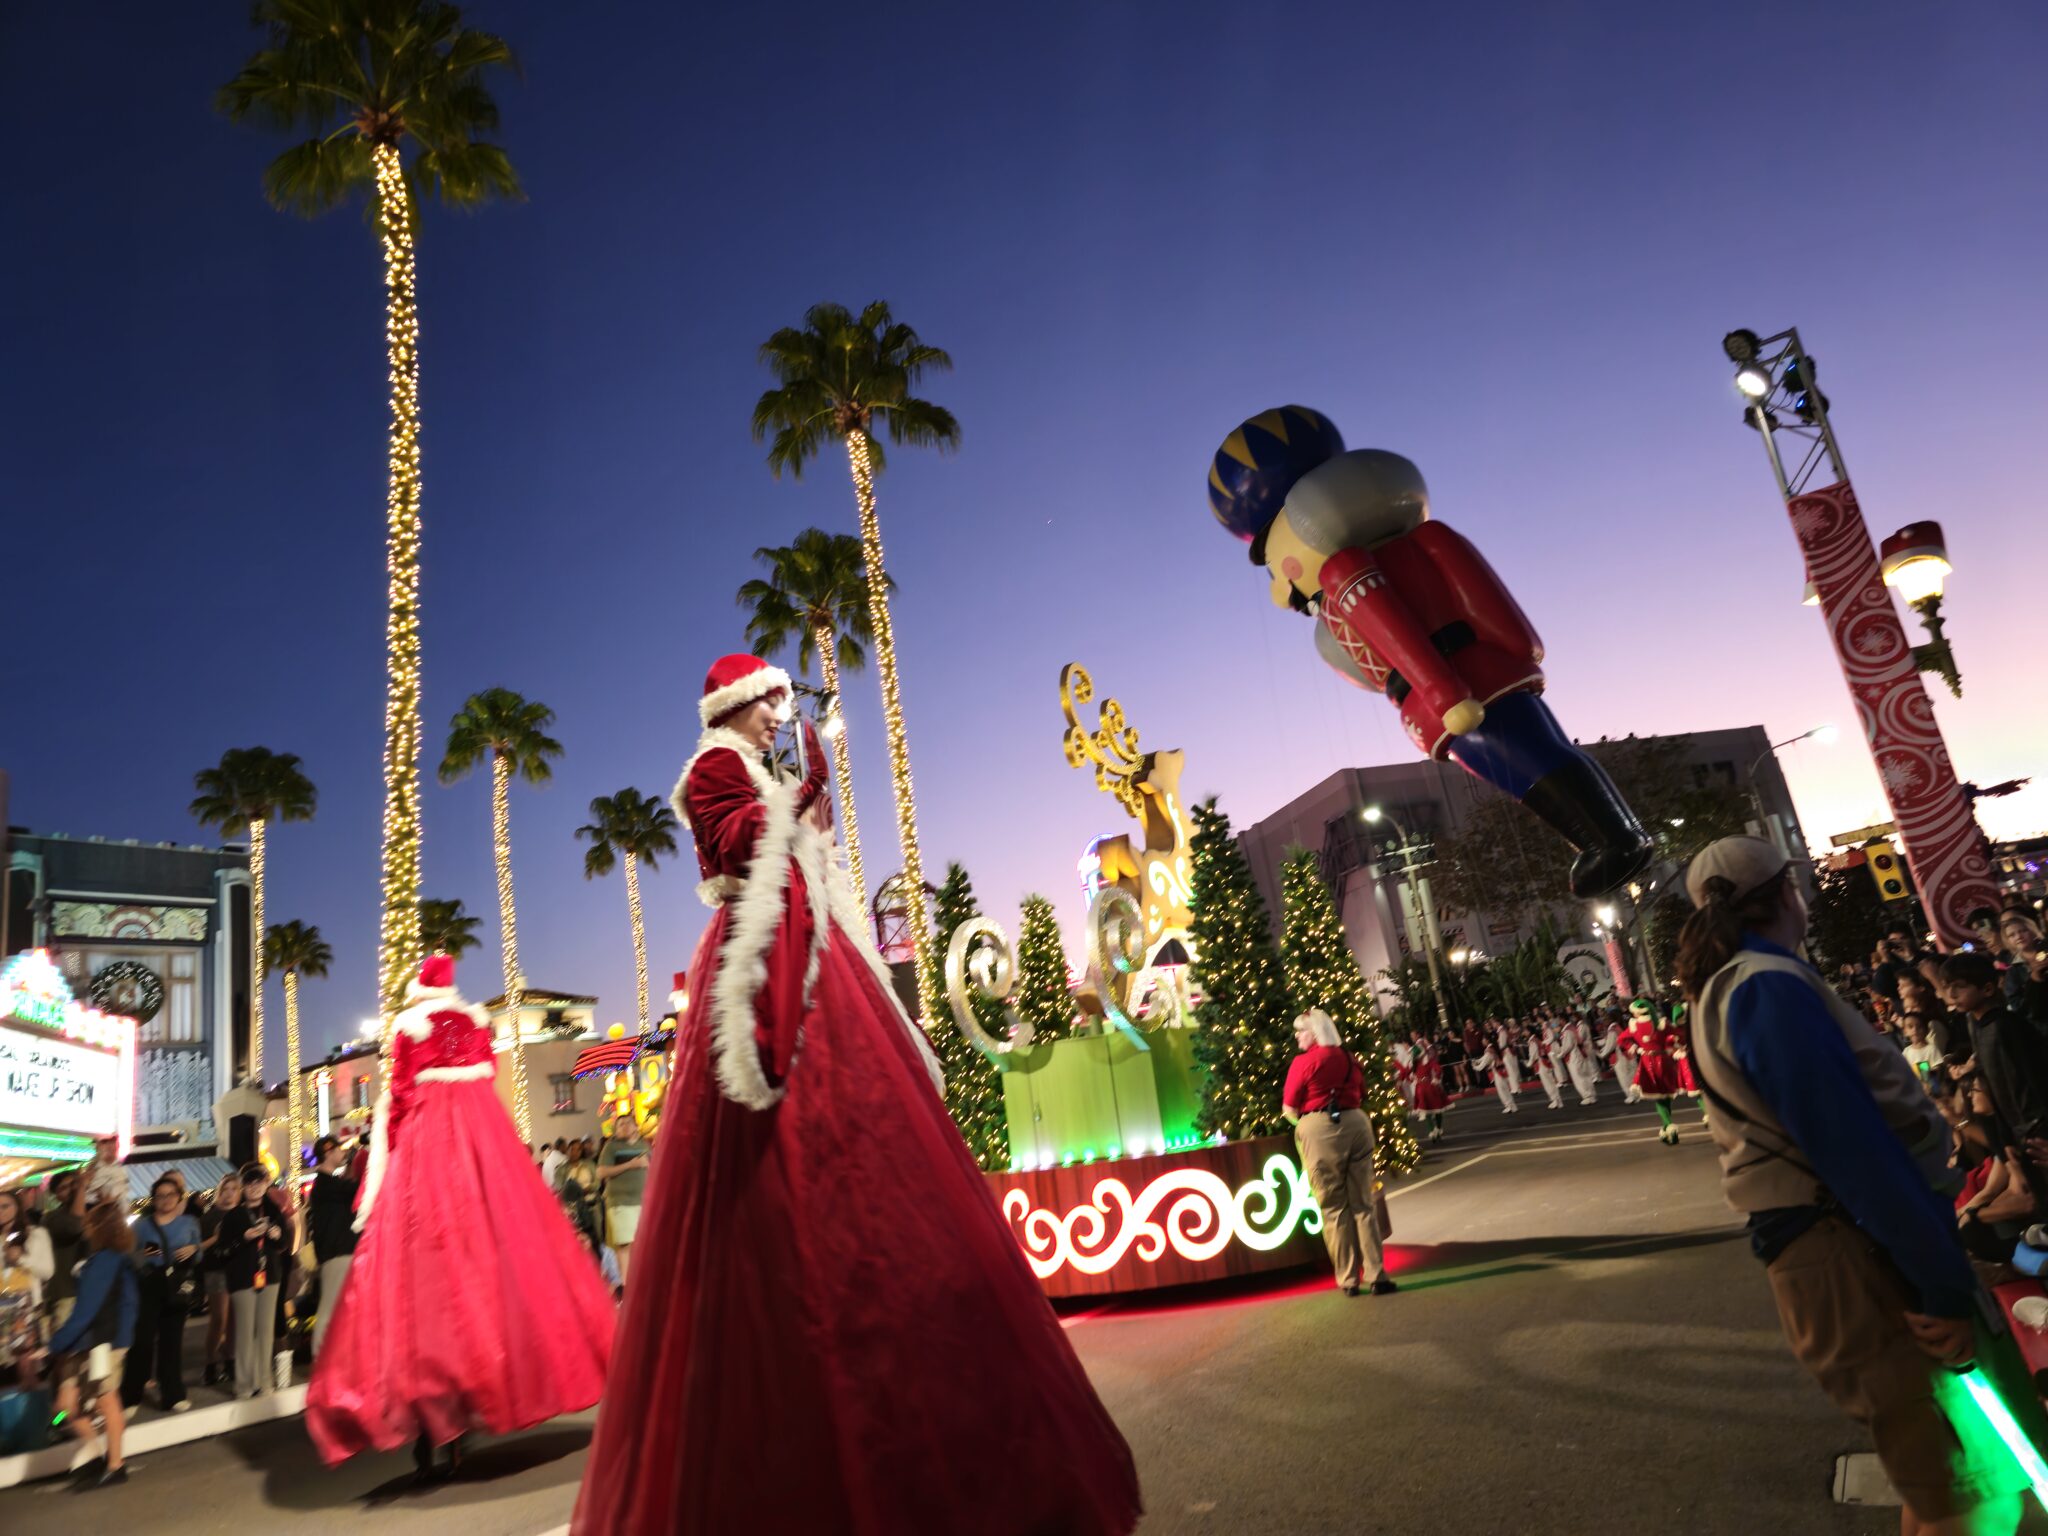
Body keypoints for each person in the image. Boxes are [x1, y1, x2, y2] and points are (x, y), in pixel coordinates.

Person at [573, 654, 1139, 1536]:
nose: (775, 716)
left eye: (777, 703)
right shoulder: (715, 767)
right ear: (734, 707)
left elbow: (813, 856)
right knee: (773, 1185)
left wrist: (805, 794)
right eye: (764, 704)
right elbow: (733, 844)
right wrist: (793, 801)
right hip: (764, 961)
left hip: (819, 956)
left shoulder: (771, 765)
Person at [1678, 835, 2036, 1536]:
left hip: (1848, 1244)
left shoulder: (1748, 980)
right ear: (1786, 893)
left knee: (1948, 1485)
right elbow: (1852, 1147)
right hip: (1854, 1249)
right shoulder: (1763, 985)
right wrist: (1937, 1283)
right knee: (1975, 1496)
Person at [308, 954, 614, 1479]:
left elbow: (400, 1096)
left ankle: (433, 1426)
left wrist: (388, 1162)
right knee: (498, 1262)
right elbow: (490, 1071)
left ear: (417, 992)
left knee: (419, 1280)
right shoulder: (474, 1021)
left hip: (428, 1151)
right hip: (481, 1145)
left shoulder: (408, 1026)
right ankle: (482, 1404)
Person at [1284, 1009, 1397, 1297]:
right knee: (1363, 1204)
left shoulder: (1303, 1062)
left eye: (1301, 1030)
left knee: (1333, 1208)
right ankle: (1377, 1275)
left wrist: (1306, 1124)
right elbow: (1361, 1091)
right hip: (1357, 1124)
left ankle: (1348, 1279)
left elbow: (1290, 1107)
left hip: (1320, 1128)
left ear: (1315, 1032)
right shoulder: (1348, 1057)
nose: (1297, 1035)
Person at [38, 1201, 138, 1490]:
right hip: (96, 1342)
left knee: (106, 1401)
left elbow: (86, 1310)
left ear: (98, 1227)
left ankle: (115, 1464)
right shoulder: (110, 1259)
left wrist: (56, 1344)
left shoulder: (105, 1261)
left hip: (101, 1343)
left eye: (89, 1222)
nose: (85, 1226)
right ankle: (97, 1454)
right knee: (66, 1405)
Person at [1941, 951, 2048, 1213]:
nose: (1951, 993)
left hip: (2036, 1127)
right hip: (2019, 1131)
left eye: (1960, 986)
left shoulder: (2005, 1025)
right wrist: (2006, 1141)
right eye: (1947, 987)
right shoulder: (1977, 1024)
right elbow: (1993, 1089)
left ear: (1987, 988)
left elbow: (2030, 1080)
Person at [124, 1174, 199, 1412]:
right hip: (150, 1282)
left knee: (172, 1340)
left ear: (179, 1198)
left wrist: (193, 1249)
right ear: (153, 1199)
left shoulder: (189, 1223)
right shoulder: (141, 1225)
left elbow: (198, 1255)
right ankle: (131, 1395)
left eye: (170, 1195)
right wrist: (147, 1257)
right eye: (160, 1195)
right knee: (142, 1341)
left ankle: (173, 1394)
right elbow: (131, 1254)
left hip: (177, 1282)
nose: (165, 1199)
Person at [219, 1163, 288, 1399]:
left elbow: (283, 1245)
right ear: (243, 1188)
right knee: (245, 1333)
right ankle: (244, 1385)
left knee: (265, 1331)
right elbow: (223, 1250)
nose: (255, 1187)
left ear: (266, 1184)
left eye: (259, 1182)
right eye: (250, 1183)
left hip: (270, 1276)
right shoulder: (234, 1216)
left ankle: (264, 1381)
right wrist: (244, 1238)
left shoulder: (273, 1210)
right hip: (242, 1279)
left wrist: (278, 1236)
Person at [306, 1136, 359, 1359]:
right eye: (340, 1149)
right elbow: (353, 1189)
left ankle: (335, 1360)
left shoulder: (327, 1185)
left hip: (340, 1252)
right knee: (330, 1310)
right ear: (328, 1152)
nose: (343, 1153)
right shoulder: (326, 1185)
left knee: (340, 1310)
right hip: (337, 1253)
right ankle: (322, 1360)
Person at [1619, 998, 1684, 1144]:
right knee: (1665, 1095)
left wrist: (1637, 1048)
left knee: (1657, 1097)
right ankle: (1667, 1127)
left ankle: (1669, 1127)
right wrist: (1671, 1046)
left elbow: (1622, 1039)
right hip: (1665, 1061)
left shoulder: (1634, 1026)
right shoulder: (1662, 1023)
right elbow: (1677, 1034)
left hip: (1648, 1062)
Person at [197, 1172, 241, 1387]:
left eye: (234, 1189)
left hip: (239, 1270)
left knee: (235, 1319)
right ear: (219, 1192)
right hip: (216, 1270)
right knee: (219, 1318)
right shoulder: (209, 1217)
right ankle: (210, 1362)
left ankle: (230, 1359)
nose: (229, 1194)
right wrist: (216, 1237)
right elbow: (200, 1248)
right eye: (226, 1190)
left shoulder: (243, 1214)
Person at [595, 1125, 651, 1286]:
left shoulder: (644, 1145)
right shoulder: (611, 1147)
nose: (624, 1126)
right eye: (620, 1124)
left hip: (642, 1201)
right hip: (620, 1202)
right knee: (625, 1244)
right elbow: (601, 1172)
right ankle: (626, 1287)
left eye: (628, 1122)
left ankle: (641, 1283)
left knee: (641, 1244)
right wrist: (630, 1165)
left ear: (636, 1127)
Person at [1409, 1030, 1450, 1142]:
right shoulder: (1415, 1064)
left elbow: (1438, 1068)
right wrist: (1413, 1076)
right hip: (1422, 1087)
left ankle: (1438, 1128)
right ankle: (1432, 1130)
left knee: (1437, 1109)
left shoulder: (1428, 1060)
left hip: (1430, 1086)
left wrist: (1436, 1078)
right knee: (1425, 1110)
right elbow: (1412, 1072)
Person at [1557, 1012, 1600, 1106]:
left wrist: (1560, 1054)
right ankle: (1591, 1095)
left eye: (1559, 1020)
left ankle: (1587, 1096)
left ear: (1562, 1020)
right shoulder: (1572, 1028)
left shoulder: (1567, 1031)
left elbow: (1568, 1045)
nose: (1558, 1022)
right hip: (1579, 1053)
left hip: (1574, 1056)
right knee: (1585, 1074)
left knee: (1578, 1076)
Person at [1525, 1023, 1565, 1110]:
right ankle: (1558, 1101)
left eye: (1525, 1031)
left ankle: (1555, 1100)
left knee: (1548, 1083)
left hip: (1541, 1063)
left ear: (1529, 1032)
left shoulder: (1532, 1041)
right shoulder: (1537, 1039)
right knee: (1551, 1082)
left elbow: (1533, 1054)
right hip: (1544, 1061)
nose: (1524, 1032)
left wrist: (1529, 1064)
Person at [81, 1136, 127, 1211]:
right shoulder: (92, 1166)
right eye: (104, 1144)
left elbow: (116, 1196)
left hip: (106, 1211)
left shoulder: (119, 1171)